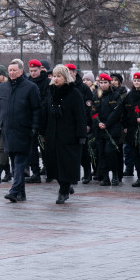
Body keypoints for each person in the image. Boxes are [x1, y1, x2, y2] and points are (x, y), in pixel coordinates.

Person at [0, 59, 42, 202]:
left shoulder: (30, 87)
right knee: (14, 162)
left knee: (20, 161)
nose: (12, 73)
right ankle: (21, 193)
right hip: (7, 130)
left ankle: (14, 191)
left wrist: (34, 127)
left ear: (21, 71)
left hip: (24, 130)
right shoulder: (2, 88)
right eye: (10, 70)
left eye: (15, 70)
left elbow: (37, 109)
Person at [41, 65, 86, 204]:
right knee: (54, 163)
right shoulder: (51, 92)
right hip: (53, 135)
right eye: (54, 76)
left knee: (67, 164)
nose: (55, 79)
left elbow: (80, 115)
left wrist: (81, 135)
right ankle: (64, 185)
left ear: (65, 77)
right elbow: (46, 113)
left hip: (69, 136)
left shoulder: (74, 93)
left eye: (58, 76)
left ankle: (64, 190)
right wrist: (42, 132)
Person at [91, 73, 123, 186]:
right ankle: (105, 177)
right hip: (100, 129)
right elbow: (93, 111)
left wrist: (107, 123)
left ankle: (115, 175)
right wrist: (98, 122)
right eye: (101, 82)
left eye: (105, 82)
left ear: (109, 83)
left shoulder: (115, 95)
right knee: (102, 154)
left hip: (112, 129)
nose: (103, 85)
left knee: (110, 152)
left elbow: (117, 111)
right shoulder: (96, 95)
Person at [65, 64, 93, 184]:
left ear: (75, 73)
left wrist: (86, 124)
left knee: (83, 151)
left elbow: (88, 108)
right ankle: (72, 175)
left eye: (70, 72)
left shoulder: (84, 88)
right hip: (68, 125)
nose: (69, 74)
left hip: (81, 124)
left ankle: (87, 172)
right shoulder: (64, 87)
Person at [25, 59, 50, 184]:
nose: (33, 73)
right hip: (30, 119)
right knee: (32, 148)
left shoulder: (47, 82)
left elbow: (47, 100)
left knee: (45, 148)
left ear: (40, 69)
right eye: (31, 71)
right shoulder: (28, 82)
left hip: (44, 119)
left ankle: (49, 170)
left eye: (35, 71)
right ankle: (35, 172)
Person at [110, 73, 132, 180]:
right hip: (110, 124)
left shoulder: (124, 94)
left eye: (115, 80)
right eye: (112, 79)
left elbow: (127, 111)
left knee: (119, 150)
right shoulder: (108, 92)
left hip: (121, 124)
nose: (113, 82)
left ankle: (118, 174)